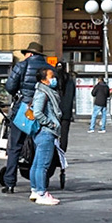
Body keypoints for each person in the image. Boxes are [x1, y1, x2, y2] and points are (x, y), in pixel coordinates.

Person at [0, 43, 45, 194]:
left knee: (15, 147)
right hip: (42, 110)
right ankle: (38, 184)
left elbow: (10, 87)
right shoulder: (48, 68)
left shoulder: (21, 65)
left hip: (23, 110)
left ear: (30, 54)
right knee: (39, 147)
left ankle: (10, 183)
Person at [25, 61, 64, 206]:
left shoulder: (42, 91)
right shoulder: (43, 93)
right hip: (46, 132)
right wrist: (50, 123)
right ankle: (42, 192)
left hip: (40, 133)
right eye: (51, 76)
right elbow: (37, 113)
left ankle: (35, 190)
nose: (54, 79)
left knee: (37, 163)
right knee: (43, 164)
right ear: (43, 80)